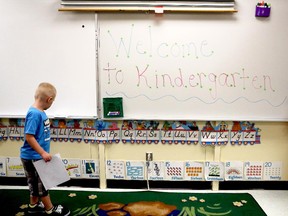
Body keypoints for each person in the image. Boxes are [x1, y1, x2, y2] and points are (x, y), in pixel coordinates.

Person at [20, 82, 70, 216]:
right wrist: (42, 152)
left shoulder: (39, 113)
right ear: (49, 99)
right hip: (34, 157)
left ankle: (34, 205)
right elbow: (29, 137)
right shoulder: (35, 114)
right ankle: (49, 209)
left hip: (35, 156)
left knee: (35, 184)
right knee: (42, 186)